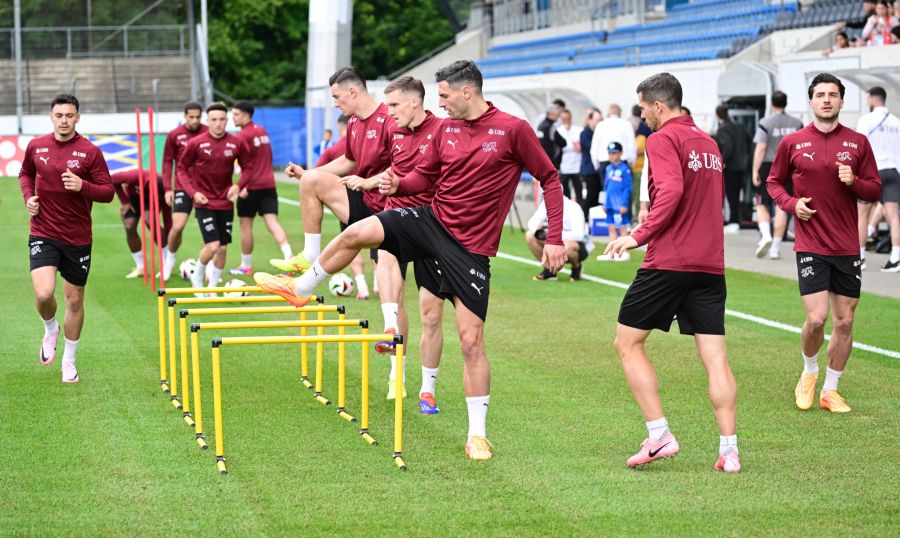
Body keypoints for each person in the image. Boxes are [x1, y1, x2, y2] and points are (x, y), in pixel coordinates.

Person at [254, 60, 567, 461]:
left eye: (445, 96)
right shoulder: (447, 129)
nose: (441, 104)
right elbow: (425, 176)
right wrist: (400, 183)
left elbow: (550, 178)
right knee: (357, 232)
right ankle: (300, 289)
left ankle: (477, 435)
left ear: (467, 92)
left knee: (471, 342)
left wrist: (555, 239)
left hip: (470, 248)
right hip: (430, 220)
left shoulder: (512, 129)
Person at [604, 73, 740, 473]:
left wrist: (637, 235)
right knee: (716, 359)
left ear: (659, 106)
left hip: (669, 262)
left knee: (627, 343)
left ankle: (659, 434)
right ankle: (729, 451)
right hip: (710, 266)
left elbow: (673, 192)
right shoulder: (709, 143)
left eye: (643, 107)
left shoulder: (663, 139)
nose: (642, 115)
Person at [767, 73, 881, 414]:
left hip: (847, 245)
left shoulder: (858, 142)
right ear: (812, 101)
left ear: (842, 101)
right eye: (820, 95)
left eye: (833, 94)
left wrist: (855, 182)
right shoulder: (793, 142)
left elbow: (875, 189)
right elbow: (774, 183)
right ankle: (809, 371)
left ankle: (831, 389)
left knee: (844, 321)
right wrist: (791, 205)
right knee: (817, 319)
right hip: (811, 243)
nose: (827, 99)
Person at [342, 76, 445, 403]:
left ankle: (427, 388)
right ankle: (395, 371)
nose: (389, 112)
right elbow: (380, 169)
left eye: (395, 105)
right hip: (396, 216)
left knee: (431, 314)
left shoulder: (442, 131)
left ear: (415, 101)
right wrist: (374, 182)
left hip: (431, 225)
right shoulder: (392, 130)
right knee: (389, 277)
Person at [18, 93, 114, 383]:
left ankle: (69, 361)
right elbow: (25, 174)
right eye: (59, 115)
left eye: (69, 115)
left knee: (74, 301)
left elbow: (107, 191)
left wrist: (82, 185)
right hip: (43, 231)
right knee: (44, 293)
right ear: (51, 116)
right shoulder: (37, 146)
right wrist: (28, 198)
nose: (64, 120)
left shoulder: (90, 152)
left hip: (78, 237)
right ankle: (50, 329)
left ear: (77, 117)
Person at [271, 66, 392, 280]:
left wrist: (370, 182)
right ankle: (309, 256)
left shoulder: (389, 119)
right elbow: (348, 160)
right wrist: (307, 173)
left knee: (393, 291)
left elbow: (403, 166)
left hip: (389, 210)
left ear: (353, 92)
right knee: (311, 180)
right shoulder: (354, 122)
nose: (335, 104)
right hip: (364, 202)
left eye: (337, 97)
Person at [179, 102, 243, 295]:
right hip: (203, 201)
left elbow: (249, 168)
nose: (218, 124)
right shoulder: (196, 143)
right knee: (213, 245)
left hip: (225, 202)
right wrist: (193, 193)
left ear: (227, 120)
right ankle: (197, 278)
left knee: (222, 248)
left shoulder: (235, 143)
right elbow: (181, 170)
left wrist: (238, 185)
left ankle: (213, 287)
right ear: (208, 121)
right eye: (214, 120)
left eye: (222, 119)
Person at [229, 100, 293, 275]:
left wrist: (242, 186)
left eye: (235, 114)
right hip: (269, 184)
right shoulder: (262, 131)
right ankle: (289, 259)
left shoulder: (242, 136)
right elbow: (268, 157)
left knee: (245, 226)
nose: (232, 117)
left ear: (245, 115)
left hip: (250, 187)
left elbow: (246, 165)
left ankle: (245, 266)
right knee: (272, 223)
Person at [316, 115, 372, 299]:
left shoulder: (335, 149)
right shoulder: (369, 142)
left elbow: (316, 173)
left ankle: (363, 287)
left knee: (351, 244)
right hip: (375, 198)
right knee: (381, 245)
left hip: (348, 202)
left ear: (341, 128)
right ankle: (380, 284)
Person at [751, 91, 804, 259]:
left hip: (768, 166)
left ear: (772, 104)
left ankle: (765, 235)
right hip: (789, 166)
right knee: (782, 206)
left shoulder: (765, 122)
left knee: (761, 204)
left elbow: (761, 148)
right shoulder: (797, 123)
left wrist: (754, 170)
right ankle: (775, 247)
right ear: (785, 103)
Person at [161, 101, 208, 280]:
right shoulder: (175, 135)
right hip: (182, 186)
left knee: (208, 230)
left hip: (205, 188)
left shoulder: (207, 131)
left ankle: (207, 268)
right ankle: (170, 261)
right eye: (191, 117)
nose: (195, 120)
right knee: (177, 226)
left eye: (198, 117)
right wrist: (167, 188)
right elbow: (167, 162)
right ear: (185, 116)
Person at [856, 86, 900, 272]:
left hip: (873, 172)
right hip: (893, 171)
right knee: (893, 216)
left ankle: (860, 257)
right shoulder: (897, 122)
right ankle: (896, 258)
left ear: (873, 99)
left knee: (862, 215)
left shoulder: (866, 119)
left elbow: (858, 147)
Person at [111, 169, 171, 278]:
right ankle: (140, 267)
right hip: (134, 198)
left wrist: (169, 235)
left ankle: (166, 264)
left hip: (150, 202)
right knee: (129, 226)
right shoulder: (133, 176)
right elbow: (113, 179)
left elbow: (168, 219)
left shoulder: (164, 192)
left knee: (150, 221)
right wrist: (124, 202)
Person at [589, 104, 637, 217]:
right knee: (625, 190)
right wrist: (631, 163)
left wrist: (597, 165)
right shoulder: (626, 124)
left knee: (606, 190)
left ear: (608, 113)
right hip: (623, 161)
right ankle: (626, 221)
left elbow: (594, 147)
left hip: (604, 162)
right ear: (619, 113)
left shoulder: (601, 125)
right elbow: (632, 146)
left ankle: (608, 219)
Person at [528, 196, 587, 280]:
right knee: (530, 235)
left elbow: (579, 235)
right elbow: (532, 222)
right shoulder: (547, 203)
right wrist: (537, 230)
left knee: (567, 246)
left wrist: (555, 235)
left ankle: (576, 266)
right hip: (553, 239)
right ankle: (549, 270)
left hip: (575, 245)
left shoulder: (573, 207)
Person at [715, 104, 752, 233]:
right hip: (742, 165)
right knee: (736, 194)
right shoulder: (740, 126)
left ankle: (733, 221)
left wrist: (722, 161)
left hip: (730, 166)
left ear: (718, 115)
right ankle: (735, 220)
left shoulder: (723, 129)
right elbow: (749, 141)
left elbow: (728, 147)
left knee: (731, 195)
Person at [597, 142, 633, 261]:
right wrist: (603, 203)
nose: (612, 156)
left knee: (622, 228)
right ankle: (611, 253)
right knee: (611, 228)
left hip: (619, 205)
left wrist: (624, 204)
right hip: (610, 205)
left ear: (621, 153)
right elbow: (605, 186)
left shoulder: (624, 169)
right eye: (610, 153)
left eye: (615, 153)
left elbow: (628, 188)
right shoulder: (608, 168)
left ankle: (623, 252)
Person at [579, 107, 602, 219]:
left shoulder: (601, 132)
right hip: (589, 170)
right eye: (597, 120)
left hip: (597, 170)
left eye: (600, 120)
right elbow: (591, 147)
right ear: (590, 120)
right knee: (590, 196)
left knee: (598, 196)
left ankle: (592, 219)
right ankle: (581, 217)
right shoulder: (585, 133)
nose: (599, 123)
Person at [557, 109, 584, 203]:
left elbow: (581, 146)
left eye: (568, 118)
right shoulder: (558, 131)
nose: (566, 120)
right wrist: (573, 146)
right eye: (564, 118)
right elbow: (561, 147)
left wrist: (577, 147)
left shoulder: (579, 130)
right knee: (565, 192)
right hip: (564, 166)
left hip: (577, 166)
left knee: (579, 191)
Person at [536, 106, 566, 171]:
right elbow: (563, 142)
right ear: (551, 114)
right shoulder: (550, 127)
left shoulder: (540, 126)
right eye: (557, 115)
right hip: (552, 161)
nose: (558, 117)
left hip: (542, 159)